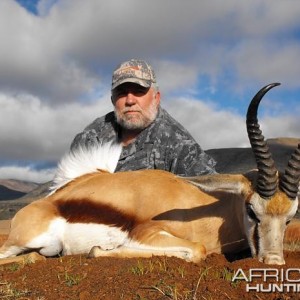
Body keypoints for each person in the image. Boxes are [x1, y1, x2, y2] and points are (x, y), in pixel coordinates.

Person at [70, 59, 216, 176]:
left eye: (139, 91)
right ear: (113, 100)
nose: (130, 101)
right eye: (121, 93)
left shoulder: (179, 144)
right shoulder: (92, 136)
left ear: (156, 98)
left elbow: (212, 195)